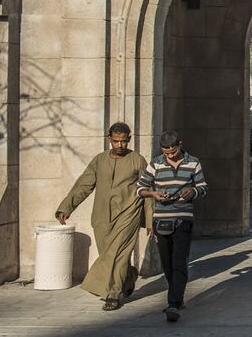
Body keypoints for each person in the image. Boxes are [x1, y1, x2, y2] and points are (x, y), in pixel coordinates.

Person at [55, 123, 149, 311]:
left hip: (129, 212)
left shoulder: (137, 160)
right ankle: (129, 276)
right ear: (109, 140)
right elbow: (84, 185)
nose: (120, 145)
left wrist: (150, 219)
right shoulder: (99, 160)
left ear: (129, 139)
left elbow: (147, 190)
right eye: (116, 141)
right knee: (108, 253)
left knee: (118, 255)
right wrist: (67, 206)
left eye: (124, 141)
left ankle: (112, 294)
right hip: (102, 216)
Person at [137, 131, 208, 323]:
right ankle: (176, 293)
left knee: (179, 261)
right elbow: (140, 188)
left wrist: (192, 191)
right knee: (167, 263)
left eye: (173, 151)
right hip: (162, 219)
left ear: (180, 144)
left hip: (184, 218)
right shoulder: (155, 163)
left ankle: (173, 303)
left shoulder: (193, 162)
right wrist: (154, 195)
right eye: (166, 152)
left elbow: (203, 187)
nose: (169, 155)